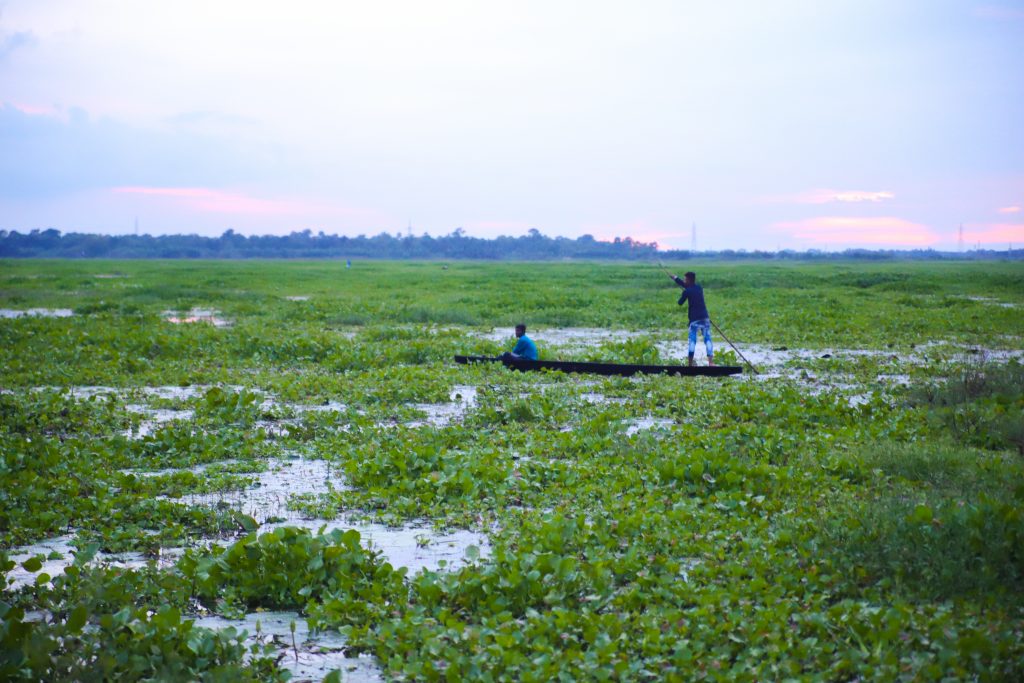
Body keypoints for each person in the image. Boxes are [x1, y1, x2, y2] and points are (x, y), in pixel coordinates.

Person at [668, 271, 714, 367]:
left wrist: (684, 294)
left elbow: (680, 302)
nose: (684, 281)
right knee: (708, 340)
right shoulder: (699, 288)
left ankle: (690, 364)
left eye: (685, 279)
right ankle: (711, 362)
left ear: (689, 280)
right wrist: (675, 278)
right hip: (705, 318)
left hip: (694, 320)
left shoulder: (687, 291)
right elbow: (686, 286)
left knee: (692, 341)